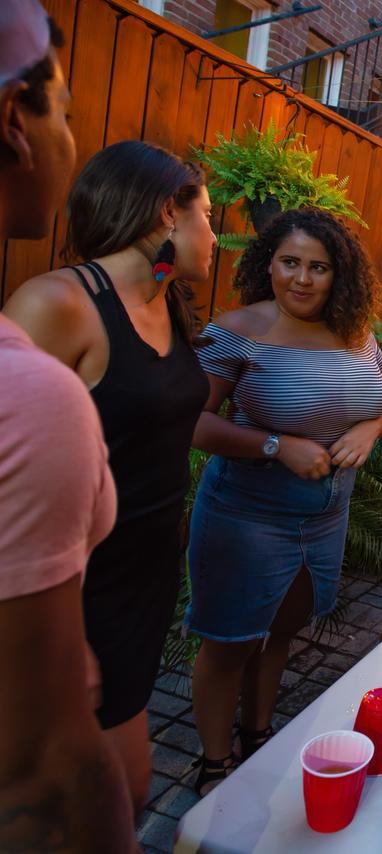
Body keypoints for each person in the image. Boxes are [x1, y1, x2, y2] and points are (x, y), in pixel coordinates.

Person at [6, 139, 216, 813]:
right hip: (69, 591)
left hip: (143, 579)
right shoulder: (57, 305)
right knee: (105, 792)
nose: (215, 236)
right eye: (207, 216)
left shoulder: (167, 303)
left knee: (120, 787)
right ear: (165, 214)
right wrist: (59, 641)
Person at [186, 208, 382, 793]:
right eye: (290, 263)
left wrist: (370, 430)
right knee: (230, 641)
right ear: (268, 264)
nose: (302, 280)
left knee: (281, 632)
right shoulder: (237, 330)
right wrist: (275, 445)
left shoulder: (356, 331)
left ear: (340, 276)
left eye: (318, 267)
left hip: (326, 515)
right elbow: (190, 422)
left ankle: (257, 735)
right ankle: (213, 761)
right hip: (248, 514)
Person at [0, 5, 134, 846]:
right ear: (16, 119)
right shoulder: (29, 393)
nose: (72, 142)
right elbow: (37, 778)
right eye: (68, 112)